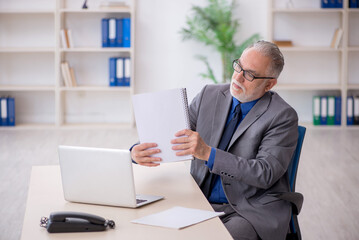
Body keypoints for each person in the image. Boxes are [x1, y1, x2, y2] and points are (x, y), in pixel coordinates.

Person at [131, 40, 298, 240]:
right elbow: (173, 137)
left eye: (250, 74)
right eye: (239, 66)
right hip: (199, 200)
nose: (238, 77)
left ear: (269, 84)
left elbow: (264, 173)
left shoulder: (282, 116)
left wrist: (208, 153)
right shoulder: (208, 95)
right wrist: (137, 151)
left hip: (249, 209)